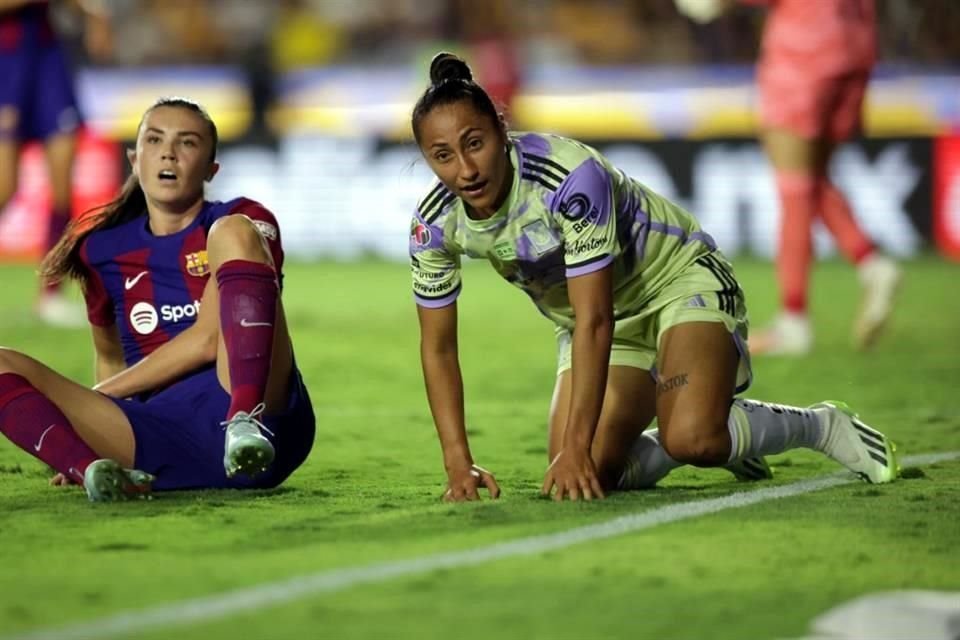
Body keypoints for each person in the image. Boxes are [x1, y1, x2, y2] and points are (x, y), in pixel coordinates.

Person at [409, 52, 900, 502]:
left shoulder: (567, 176)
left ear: (501, 128)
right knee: (584, 478)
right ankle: (720, 428)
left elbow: (594, 318)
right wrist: (458, 462)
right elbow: (438, 349)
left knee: (689, 438)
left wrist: (579, 445)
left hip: (678, 283)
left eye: (475, 143)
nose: (466, 169)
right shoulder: (432, 225)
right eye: (443, 155)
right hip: (605, 323)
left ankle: (820, 426)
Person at [0, 97, 316, 501]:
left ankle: (242, 420)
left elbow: (208, 339)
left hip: (263, 418)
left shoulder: (241, 220)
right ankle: (90, 469)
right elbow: (110, 357)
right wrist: (90, 430)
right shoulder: (100, 249)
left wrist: (101, 395)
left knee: (233, 231)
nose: (168, 152)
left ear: (211, 168)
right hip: (161, 432)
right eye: (154, 139)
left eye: (187, 143)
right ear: (134, 159)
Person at [741, 0, 901, 355]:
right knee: (811, 181)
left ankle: (794, 321)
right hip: (856, 48)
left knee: (794, 188)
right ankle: (872, 263)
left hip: (804, 49)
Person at [0, 0, 112, 326]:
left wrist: (93, 16)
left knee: (63, 187)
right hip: (6, 61)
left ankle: (50, 296)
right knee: (6, 189)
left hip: (47, 57)